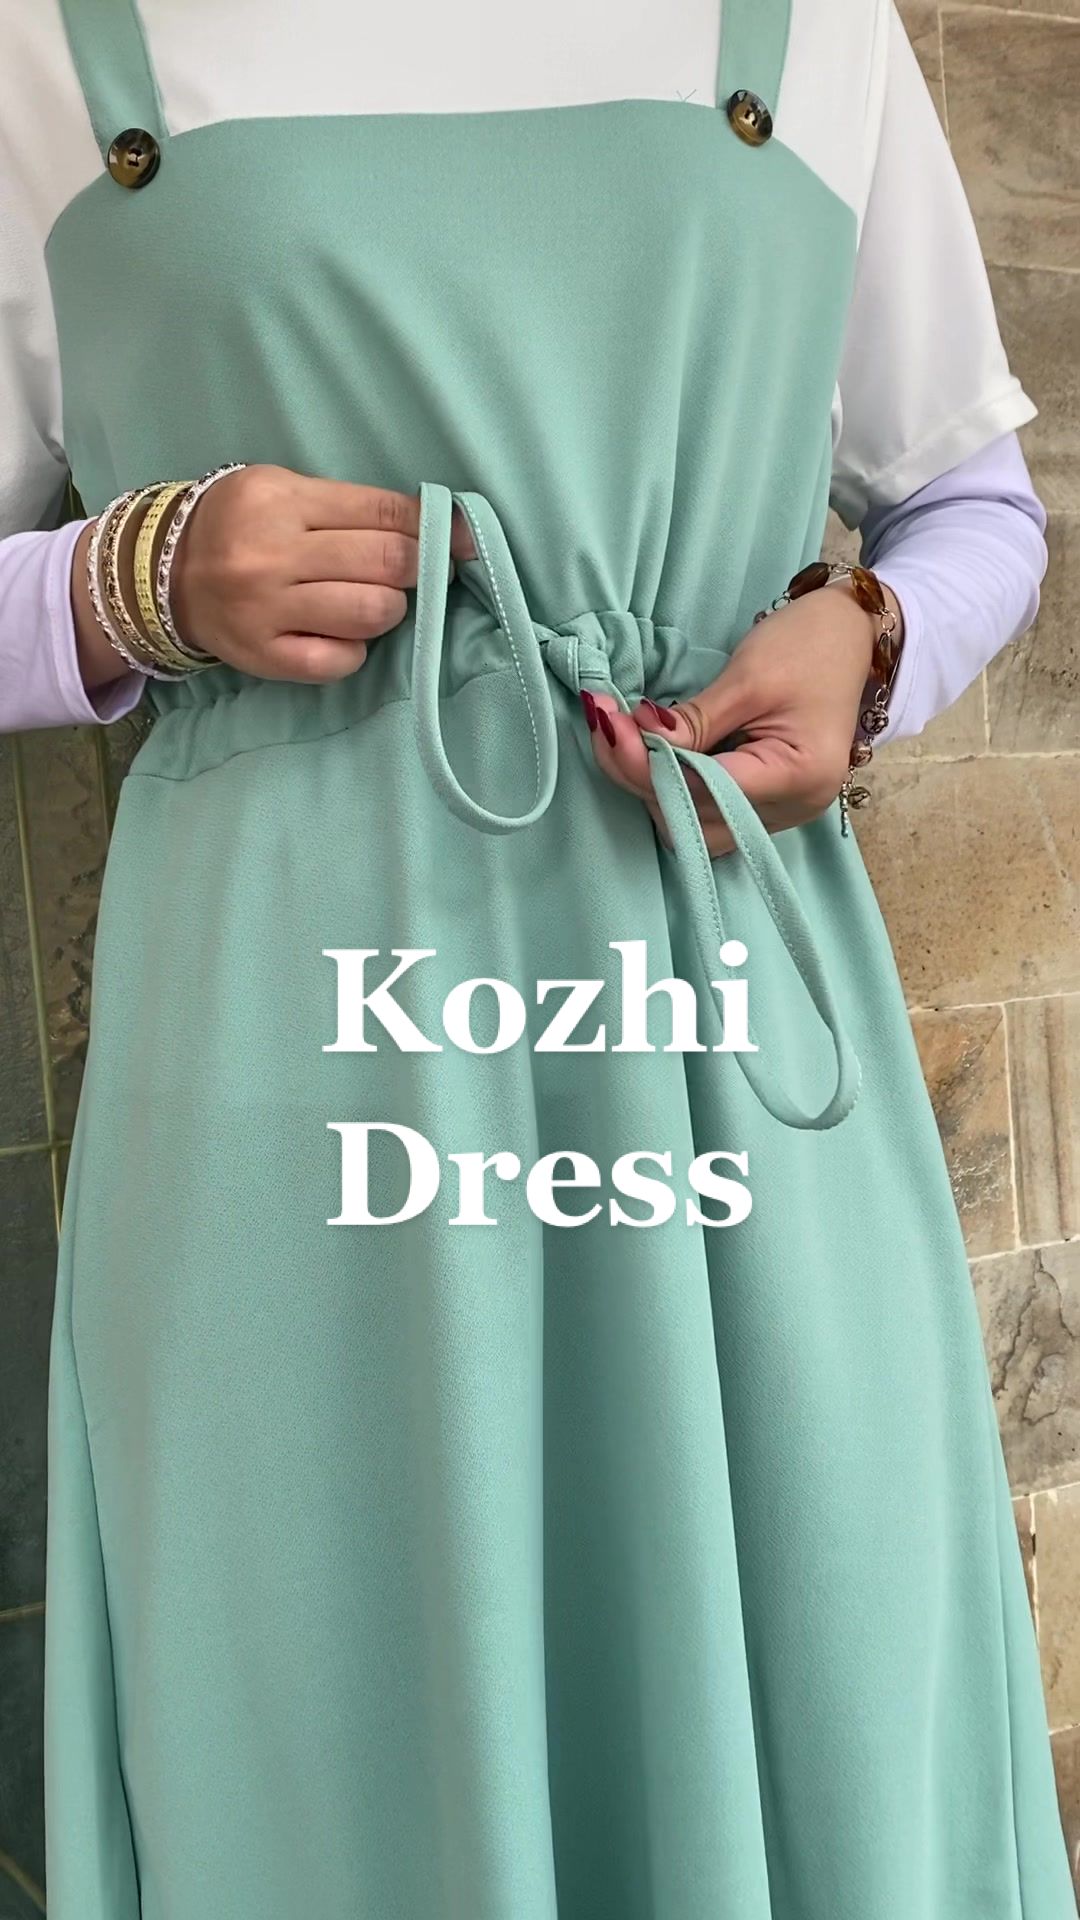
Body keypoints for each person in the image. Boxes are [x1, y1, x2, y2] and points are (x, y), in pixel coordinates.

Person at [1, 0, 1074, 1914]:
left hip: (719, 1025)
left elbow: (973, 503)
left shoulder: (807, 24)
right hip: (286, 1061)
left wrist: (872, 638)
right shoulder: (47, 45)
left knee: (823, 1655)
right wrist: (127, 578)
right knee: (327, 1713)